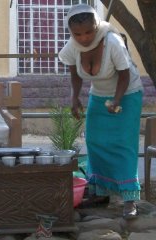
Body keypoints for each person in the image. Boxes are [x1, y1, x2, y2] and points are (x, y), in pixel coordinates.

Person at [58, 4, 143, 219]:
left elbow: (124, 74)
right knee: (95, 141)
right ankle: (100, 193)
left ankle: (129, 199)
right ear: (71, 32)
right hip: (99, 95)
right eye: (78, 34)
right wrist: (75, 97)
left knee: (123, 143)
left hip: (128, 93)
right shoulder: (72, 47)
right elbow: (75, 74)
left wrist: (116, 100)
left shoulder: (112, 42)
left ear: (97, 26)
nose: (84, 38)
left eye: (89, 32)